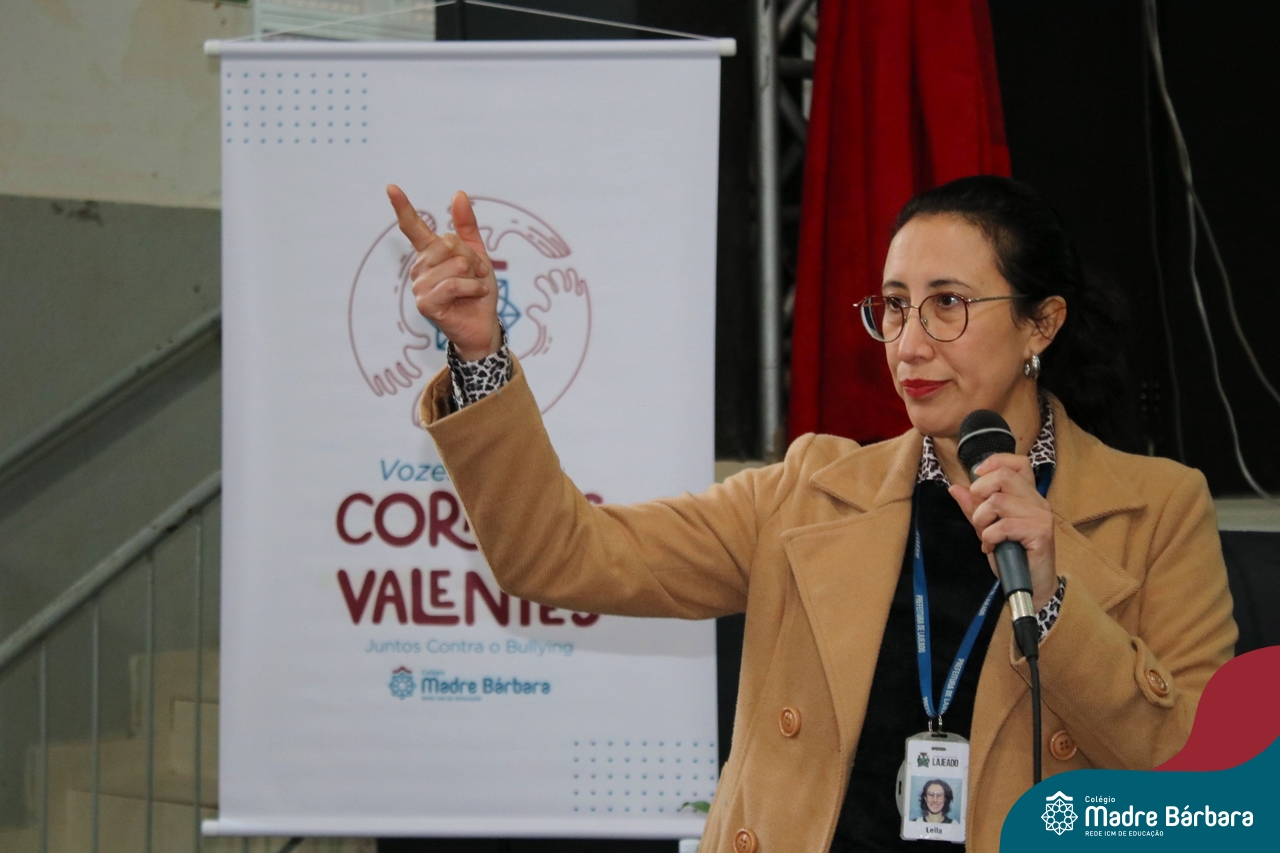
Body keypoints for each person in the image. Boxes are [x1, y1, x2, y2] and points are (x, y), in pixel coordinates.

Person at [384, 175, 1237, 852]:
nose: (909, 343)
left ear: (1039, 324)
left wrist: (1053, 604)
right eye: (895, 305)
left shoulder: (1157, 509)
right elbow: (560, 554)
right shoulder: (808, 490)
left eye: (948, 303)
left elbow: (1203, 786)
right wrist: (480, 355)